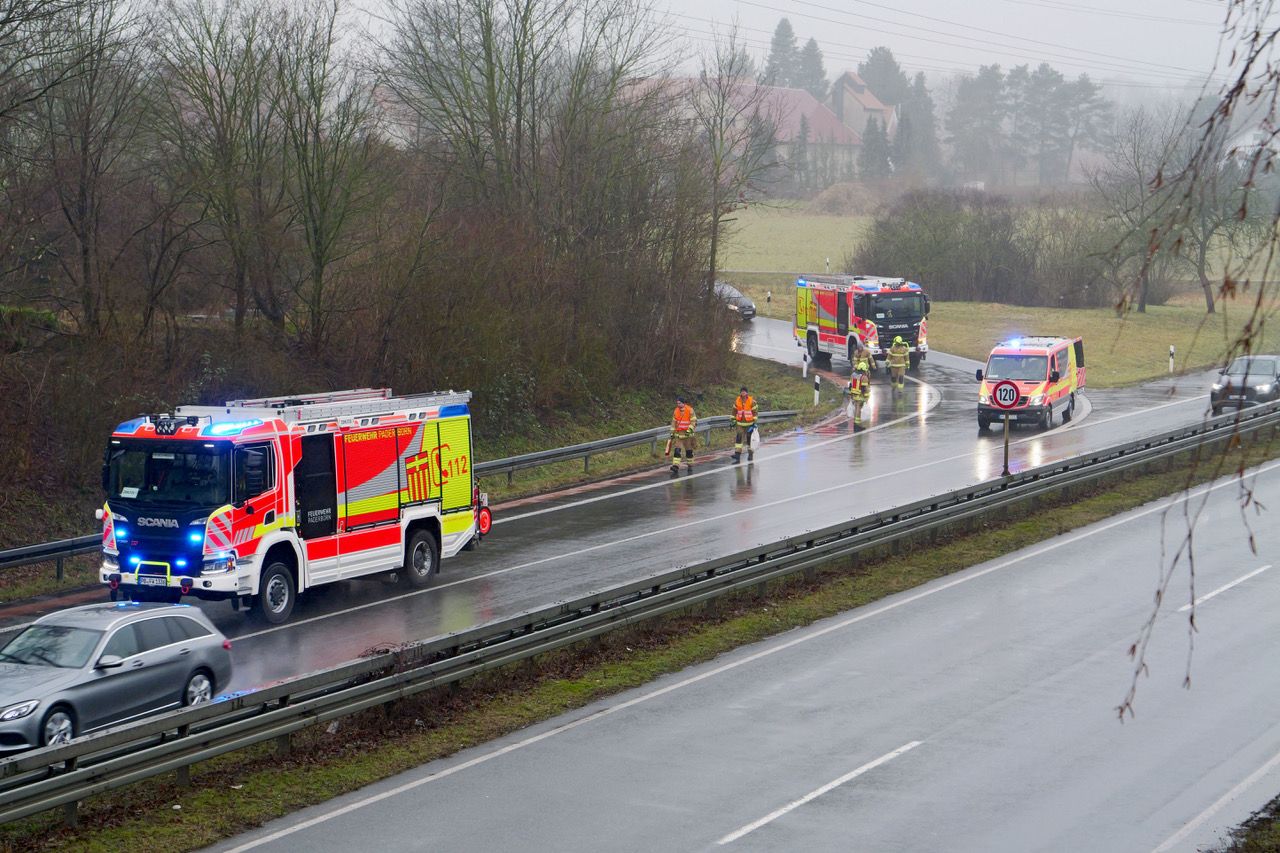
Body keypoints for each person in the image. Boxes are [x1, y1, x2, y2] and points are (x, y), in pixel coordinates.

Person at [667, 395, 697, 474]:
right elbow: (673, 422)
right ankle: (675, 466)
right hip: (679, 435)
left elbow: (693, 421)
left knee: (689, 451)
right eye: (677, 403)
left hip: (688, 435)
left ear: (683, 403)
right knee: (677, 450)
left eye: (680, 403)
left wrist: (689, 430)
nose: (678, 405)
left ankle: (690, 464)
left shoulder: (690, 410)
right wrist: (672, 433)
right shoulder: (676, 411)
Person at [731, 385, 759, 463]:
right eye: (742, 391)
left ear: (747, 393)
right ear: (740, 392)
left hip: (749, 424)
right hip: (740, 423)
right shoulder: (737, 401)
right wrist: (733, 420)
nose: (743, 393)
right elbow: (734, 411)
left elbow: (755, 413)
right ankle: (737, 454)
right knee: (739, 437)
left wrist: (754, 422)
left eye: (744, 391)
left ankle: (750, 454)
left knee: (749, 439)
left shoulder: (752, 401)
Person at [847, 359, 871, 429]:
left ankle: (856, 424)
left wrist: (851, 394)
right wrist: (867, 397)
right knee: (858, 409)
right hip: (860, 396)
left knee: (856, 408)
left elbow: (850, 385)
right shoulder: (864, 377)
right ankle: (857, 425)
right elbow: (865, 388)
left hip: (854, 395)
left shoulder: (853, 375)